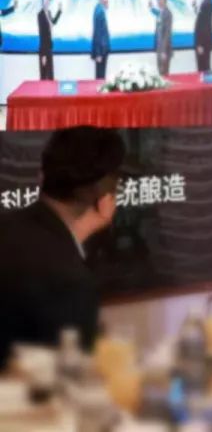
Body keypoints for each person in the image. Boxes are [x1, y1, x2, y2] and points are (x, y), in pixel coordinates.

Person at [0, 126, 126, 367]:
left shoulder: (7, 227)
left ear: (42, 176)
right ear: (101, 192)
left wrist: (82, 231)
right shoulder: (70, 281)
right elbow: (71, 378)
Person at [37, 0, 62, 80]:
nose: (46, 0)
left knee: (51, 75)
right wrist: (43, 55)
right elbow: (42, 34)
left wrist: (59, 11)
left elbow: (53, 22)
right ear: (42, 0)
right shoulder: (40, 15)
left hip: (49, 48)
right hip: (44, 50)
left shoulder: (49, 13)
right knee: (44, 76)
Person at [148, 0, 173, 76]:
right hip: (159, 49)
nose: (159, 1)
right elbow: (157, 14)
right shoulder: (161, 12)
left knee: (164, 73)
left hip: (164, 50)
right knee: (160, 73)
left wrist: (163, 51)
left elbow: (167, 34)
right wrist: (151, 8)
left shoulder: (168, 13)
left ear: (165, 0)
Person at [194, 0, 212, 72]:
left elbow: (205, 25)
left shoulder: (207, 3)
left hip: (203, 43)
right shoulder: (205, 1)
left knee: (203, 67)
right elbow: (201, 17)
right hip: (202, 42)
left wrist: (200, 44)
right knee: (202, 67)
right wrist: (195, 6)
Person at [91, 0, 110, 79]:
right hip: (101, 50)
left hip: (103, 49)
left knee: (101, 75)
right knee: (100, 77)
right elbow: (97, 33)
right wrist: (98, 53)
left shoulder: (100, 8)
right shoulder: (99, 11)